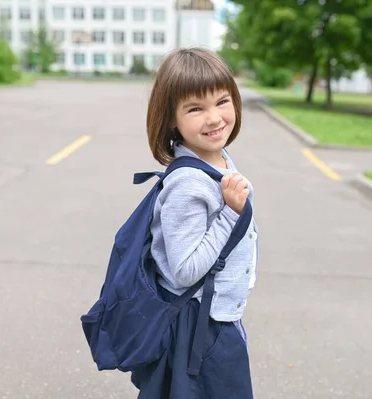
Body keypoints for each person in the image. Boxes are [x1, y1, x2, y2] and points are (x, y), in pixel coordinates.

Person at [130, 46, 259, 398]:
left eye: (222, 101)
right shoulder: (188, 184)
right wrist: (230, 213)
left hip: (216, 317)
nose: (214, 118)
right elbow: (185, 269)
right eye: (195, 109)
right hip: (199, 328)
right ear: (172, 119)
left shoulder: (217, 157)